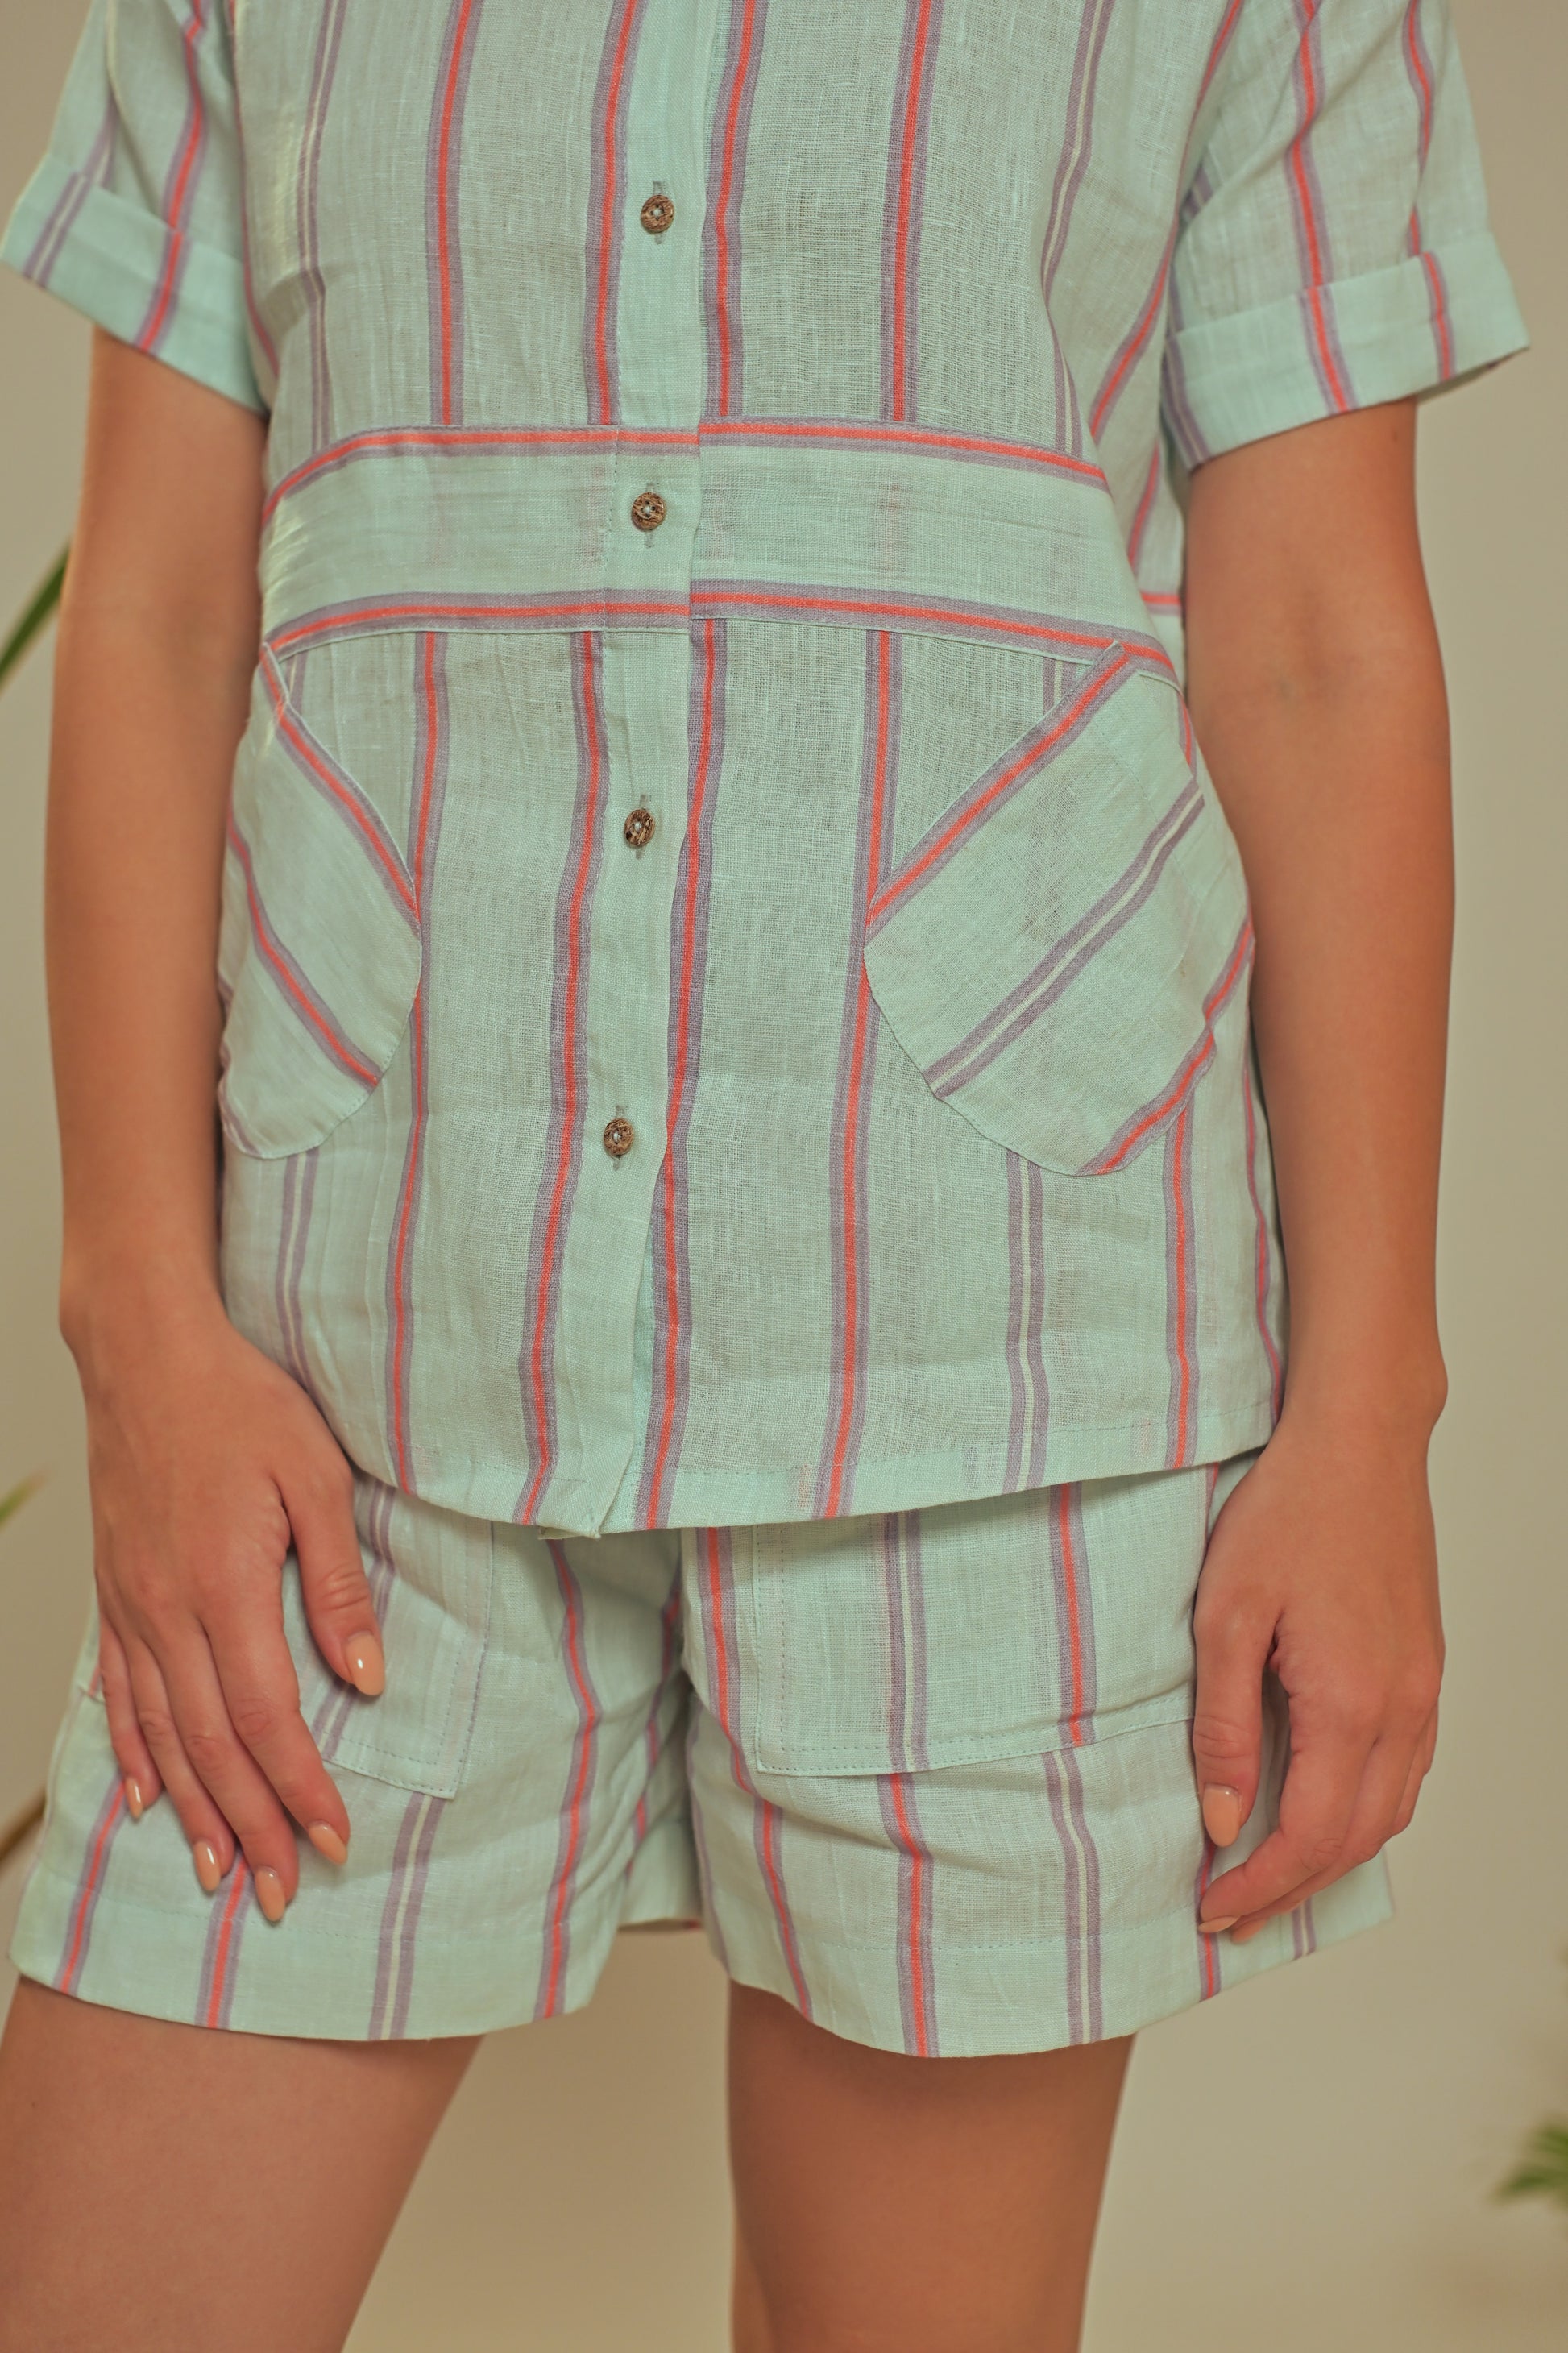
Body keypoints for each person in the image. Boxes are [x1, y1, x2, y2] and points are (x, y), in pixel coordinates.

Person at [0, 2, 1527, 2347]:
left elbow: (1316, 651)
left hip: (997, 1343)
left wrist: (1362, 1416)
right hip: (349, 1359)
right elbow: (159, 609)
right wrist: (138, 1322)